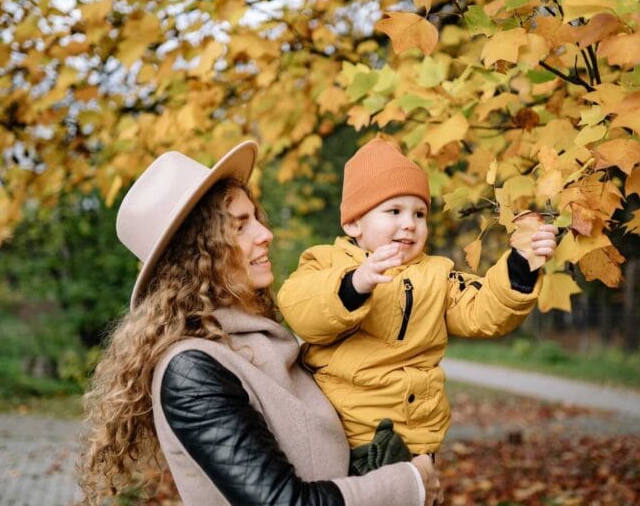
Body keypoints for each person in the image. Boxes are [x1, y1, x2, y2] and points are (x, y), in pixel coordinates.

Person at [79, 141, 442, 506]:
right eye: (240, 227)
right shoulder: (192, 370)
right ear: (197, 254)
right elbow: (280, 502)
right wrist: (410, 484)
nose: (265, 233)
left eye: (256, 217)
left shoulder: (265, 339)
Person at [277, 137, 558, 474]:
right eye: (393, 211)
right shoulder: (327, 262)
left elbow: (483, 312)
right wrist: (356, 283)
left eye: (419, 213)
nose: (409, 223)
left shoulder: (438, 275)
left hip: (419, 438)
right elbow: (300, 308)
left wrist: (521, 266)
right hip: (353, 437)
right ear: (354, 223)